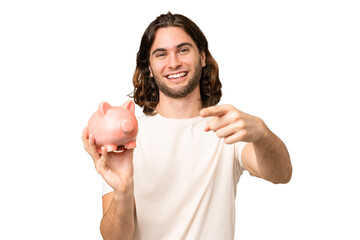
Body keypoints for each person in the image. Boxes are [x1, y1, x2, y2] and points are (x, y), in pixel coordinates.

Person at [82, 12, 292, 240]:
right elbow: (116, 239)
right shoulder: (128, 139)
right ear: (149, 68)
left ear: (202, 57)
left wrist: (261, 134)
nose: (174, 63)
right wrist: (123, 191)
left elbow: (281, 174)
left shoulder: (227, 128)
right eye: (161, 54)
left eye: (183, 50)